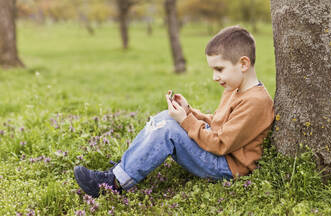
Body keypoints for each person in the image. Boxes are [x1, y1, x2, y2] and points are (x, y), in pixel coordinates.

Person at [74, 25, 274, 198]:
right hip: (221, 153)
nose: (214, 77)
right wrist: (189, 113)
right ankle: (122, 169)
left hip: (228, 167)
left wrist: (186, 121)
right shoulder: (235, 89)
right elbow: (220, 124)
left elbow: (221, 144)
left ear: (243, 64)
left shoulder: (255, 102)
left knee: (169, 128)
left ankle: (113, 183)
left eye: (219, 69)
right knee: (165, 118)